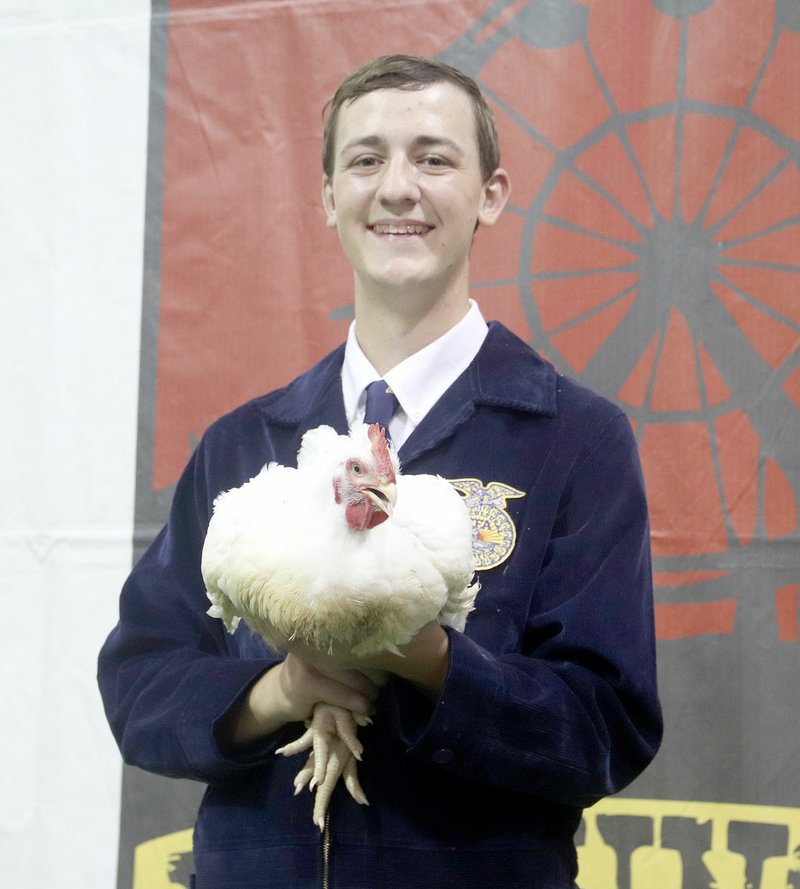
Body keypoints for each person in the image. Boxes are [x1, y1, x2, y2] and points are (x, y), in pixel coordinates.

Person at [98, 54, 662, 889]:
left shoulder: (575, 439)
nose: (398, 188)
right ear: (329, 198)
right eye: (365, 160)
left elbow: (605, 728)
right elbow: (140, 681)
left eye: (434, 158)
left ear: (491, 195)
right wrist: (281, 689)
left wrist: (427, 656)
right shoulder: (245, 445)